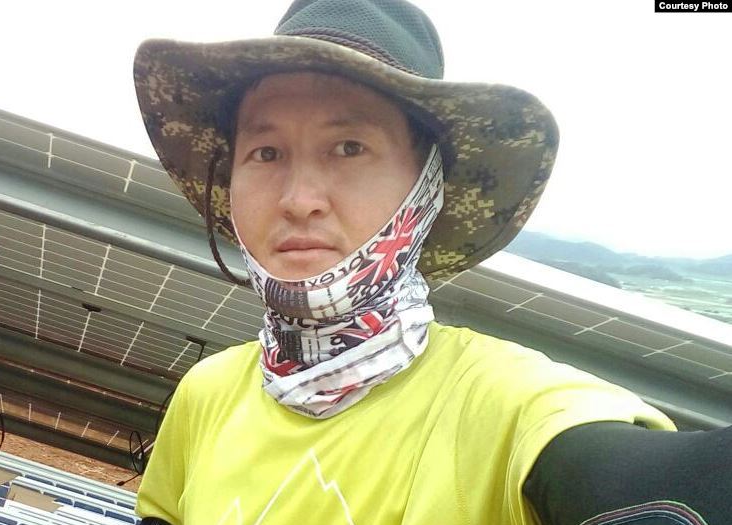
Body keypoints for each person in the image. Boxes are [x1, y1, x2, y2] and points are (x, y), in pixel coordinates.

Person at [130, 0, 732, 523]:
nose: (298, 199)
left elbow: (647, 478)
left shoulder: (507, 407)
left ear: (426, 189)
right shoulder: (206, 395)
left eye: (349, 147)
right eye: (265, 152)